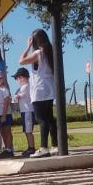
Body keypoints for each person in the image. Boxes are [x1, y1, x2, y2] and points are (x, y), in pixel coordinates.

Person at [18, 29, 56, 157]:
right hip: (49, 88)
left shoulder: (38, 53)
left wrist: (27, 46)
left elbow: (21, 61)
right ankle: (55, 145)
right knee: (50, 118)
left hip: (39, 89)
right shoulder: (50, 52)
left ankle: (43, 147)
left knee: (41, 119)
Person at [12, 67, 36, 158]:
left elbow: (17, 97)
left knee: (28, 130)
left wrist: (15, 96)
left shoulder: (26, 86)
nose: (17, 80)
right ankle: (30, 147)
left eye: (17, 78)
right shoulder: (23, 87)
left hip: (27, 111)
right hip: (25, 111)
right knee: (26, 130)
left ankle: (31, 147)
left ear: (22, 77)